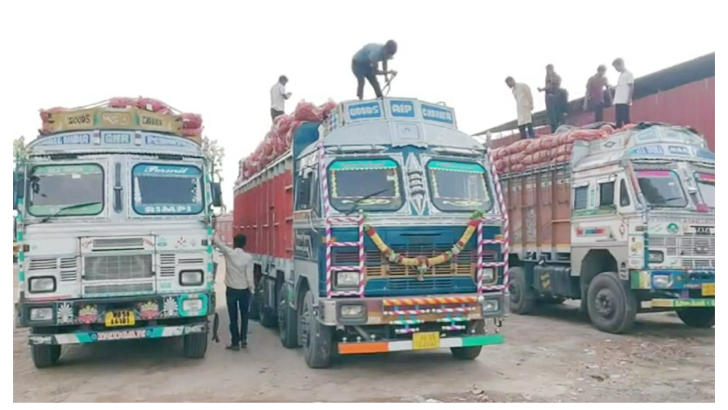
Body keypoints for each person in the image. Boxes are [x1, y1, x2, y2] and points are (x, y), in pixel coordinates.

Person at [213, 231, 255, 350]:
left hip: (231, 290)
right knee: (244, 316)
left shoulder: (229, 253)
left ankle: (235, 342)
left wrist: (214, 231)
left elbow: (218, 243)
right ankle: (244, 339)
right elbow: (249, 276)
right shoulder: (248, 258)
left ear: (234, 243)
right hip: (244, 291)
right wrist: (252, 289)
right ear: (244, 244)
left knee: (233, 317)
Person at [538, 64, 565, 133]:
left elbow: (553, 85)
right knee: (551, 116)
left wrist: (542, 89)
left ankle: (558, 127)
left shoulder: (555, 77)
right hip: (549, 99)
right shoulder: (547, 77)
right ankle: (554, 128)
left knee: (556, 114)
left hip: (555, 97)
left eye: (548, 70)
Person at [612, 58, 634, 128]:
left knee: (625, 118)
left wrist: (629, 98)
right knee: (618, 119)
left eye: (616, 67)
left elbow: (631, 86)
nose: (616, 69)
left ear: (620, 65)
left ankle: (627, 131)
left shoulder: (629, 74)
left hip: (624, 100)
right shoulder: (621, 75)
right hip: (618, 99)